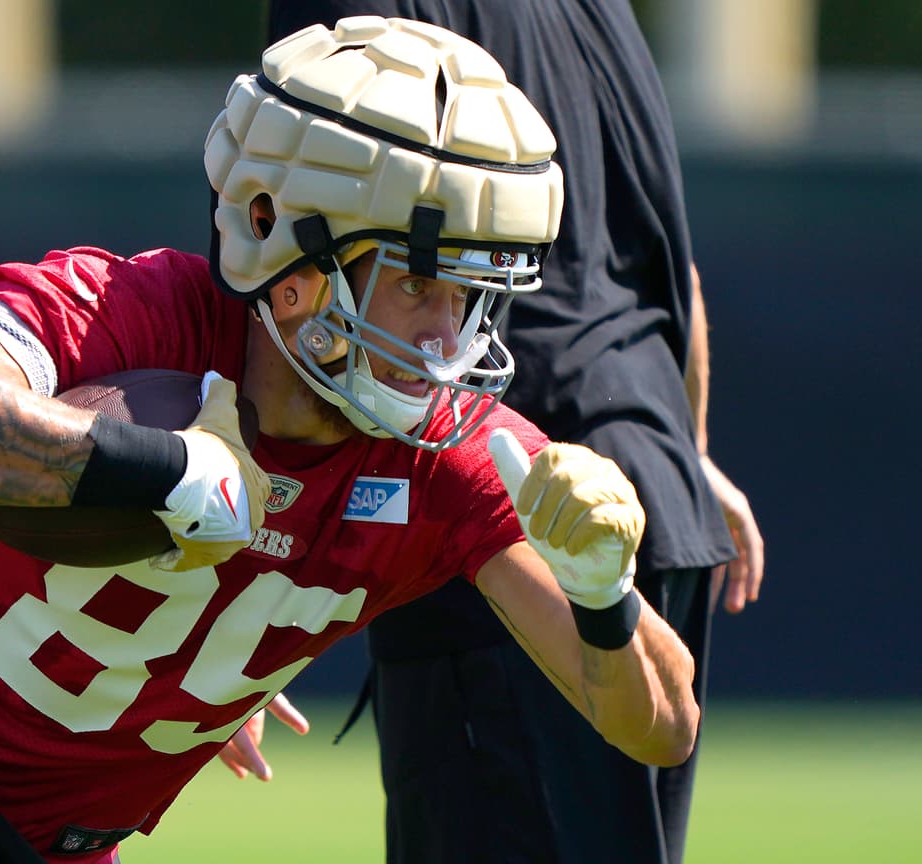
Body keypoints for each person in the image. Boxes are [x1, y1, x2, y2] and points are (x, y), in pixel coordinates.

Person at [0, 17, 702, 864]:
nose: (446, 338)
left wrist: (600, 593)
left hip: (56, 831)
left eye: (471, 293)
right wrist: (162, 469)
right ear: (290, 254)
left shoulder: (455, 458)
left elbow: (657, 729)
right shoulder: (136, 314)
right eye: (412, 282)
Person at [262, 3, 766, 864]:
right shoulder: (595, 10)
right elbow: (663, 255)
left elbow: (286, 253)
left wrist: (234, 592)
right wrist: (689, 449)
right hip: (649, 486)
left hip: (500, 516)